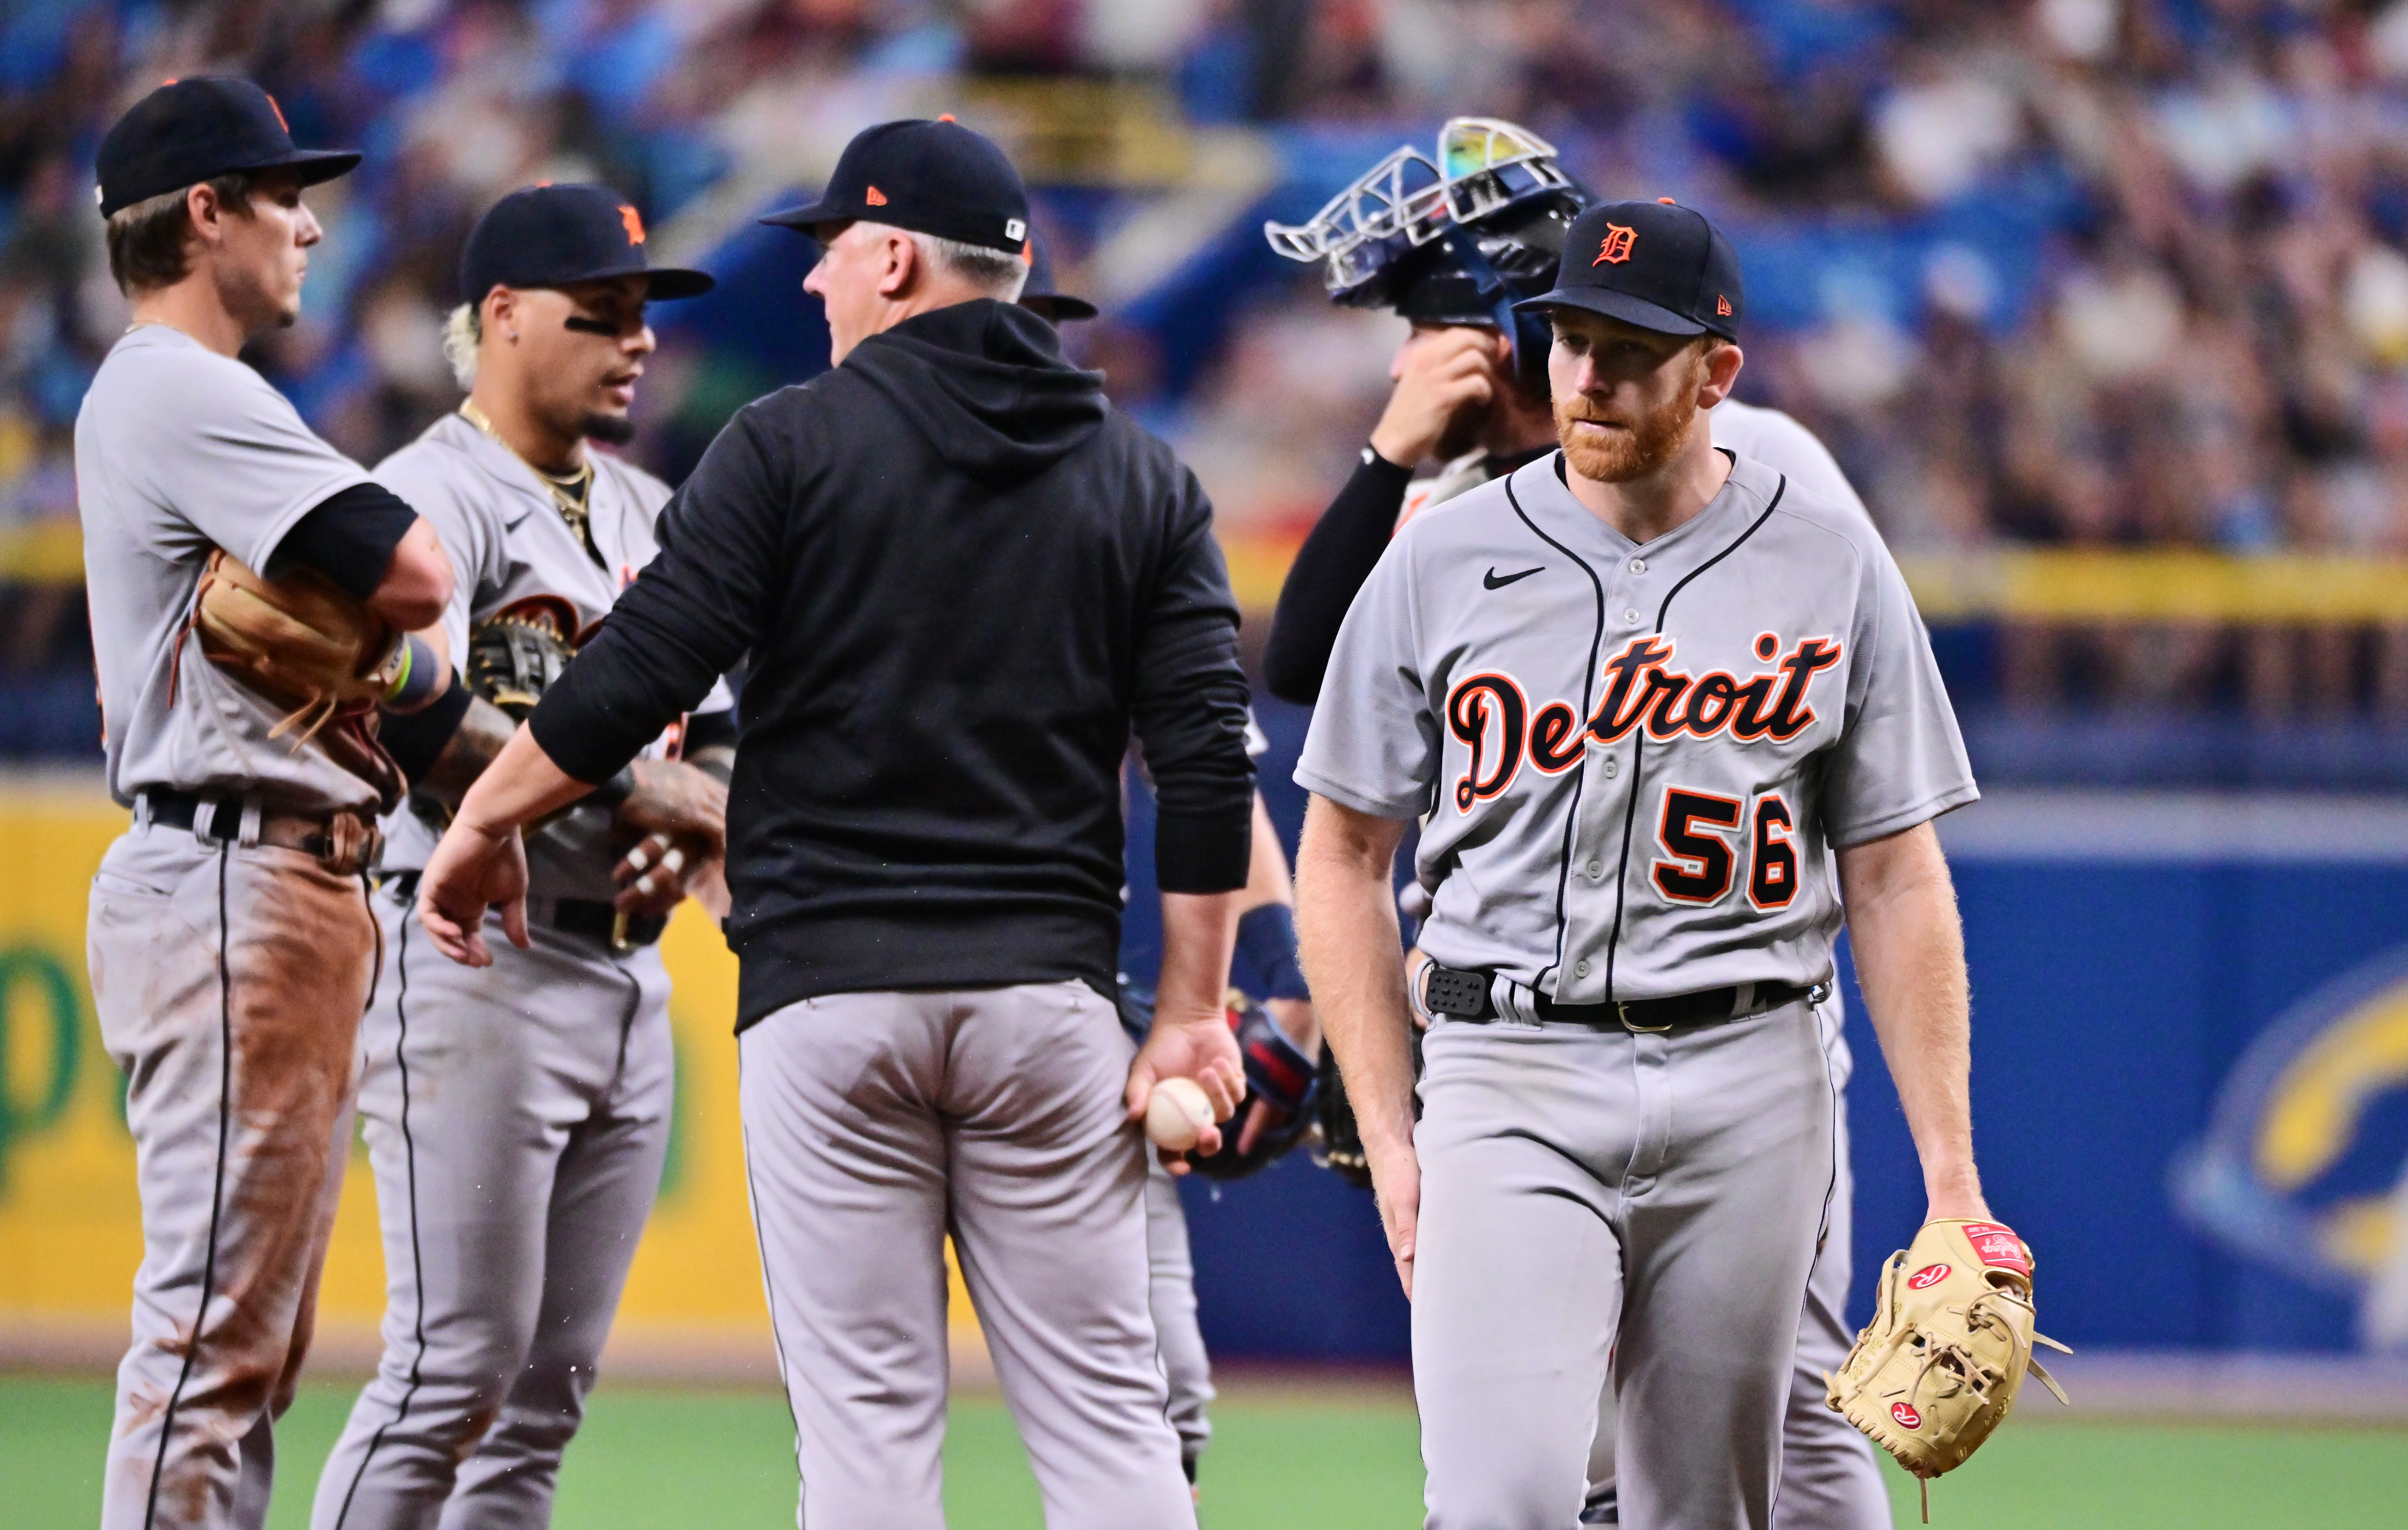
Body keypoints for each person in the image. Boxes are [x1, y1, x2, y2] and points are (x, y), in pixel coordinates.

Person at [408, 118, 1252, 1530]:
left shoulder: (788, 444)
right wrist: (1192, 1011)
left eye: (833, 251)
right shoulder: (1143, 478)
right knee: (1112, 1426)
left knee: (867, 1435)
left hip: (831, 1004)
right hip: (1042, 1004)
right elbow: (1209, 771)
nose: (813, 285)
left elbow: (633, 676)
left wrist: (481, 817)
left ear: (898, 256)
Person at [1293, 197, 2001, 1530]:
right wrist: (1391, 1130)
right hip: (1510, 1066)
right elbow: (1340, 851)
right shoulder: (1444, 552)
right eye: (1568, 338)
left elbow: (1897, 874)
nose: (1589, 373)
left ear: (1716, 372)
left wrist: (1952, 1180)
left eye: (1630, 346)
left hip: (1751, 1073)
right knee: (1499, 1497)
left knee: (1706, 1506)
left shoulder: (1824, 551)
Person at [311, 184, 731, 1530]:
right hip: (472, 960)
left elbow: (716, 738)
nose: (637, 340)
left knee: (541, 1401)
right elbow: (396, 708)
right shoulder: (428, 494)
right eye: (598, 314)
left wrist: (690, 813)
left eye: (641, 318)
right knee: (450, 1372)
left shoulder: (654, 506)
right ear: (499, 318)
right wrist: (640, 783)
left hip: (624, 976)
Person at [76, 76, 455, 1530]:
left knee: (244, 1339)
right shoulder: (181, 384)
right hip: (238, 876)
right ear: (205, 213)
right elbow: (418, 571)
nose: (310, 222)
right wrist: (408, 645)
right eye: (281, 194)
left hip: (265, 873)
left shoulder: (175, 395)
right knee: (211, 1338)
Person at [1022, 234, 1323, 1491]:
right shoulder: (811, 491)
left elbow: (1207, 771)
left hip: (1051, 1014)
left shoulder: (1111, 526)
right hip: (880, 995)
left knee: (1160, 1401)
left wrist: (1284, 994)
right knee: (874, 1398)